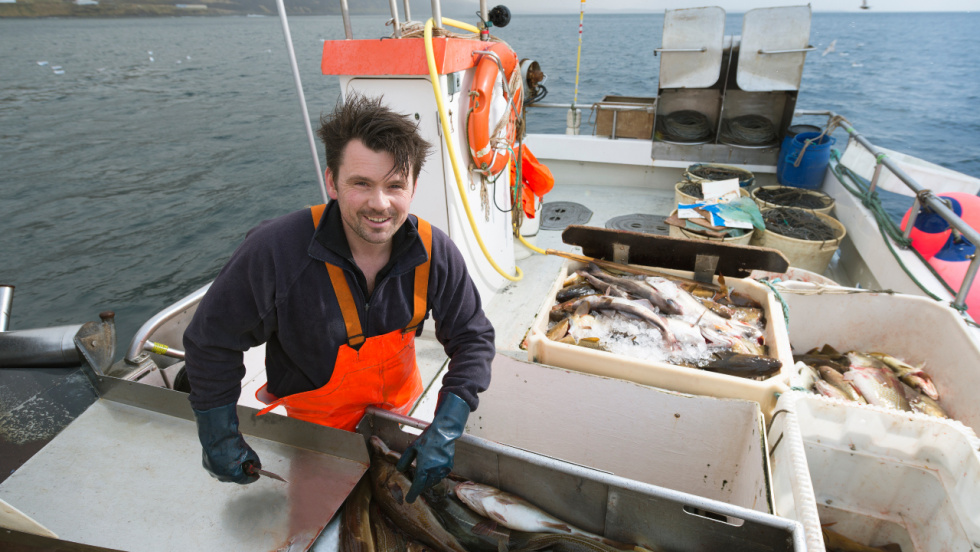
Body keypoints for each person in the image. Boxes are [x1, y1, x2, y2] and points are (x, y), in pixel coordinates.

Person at [183, 94, 495, 503]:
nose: (379, 204)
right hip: (312, 435)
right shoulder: (274, 251)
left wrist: (448, 424)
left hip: (398, 421)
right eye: (361, 184)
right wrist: (218, 434)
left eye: (395, 185)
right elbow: (211, 339)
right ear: (332, 181)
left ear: (414, 186)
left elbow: (473, 339)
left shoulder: (435, 253)